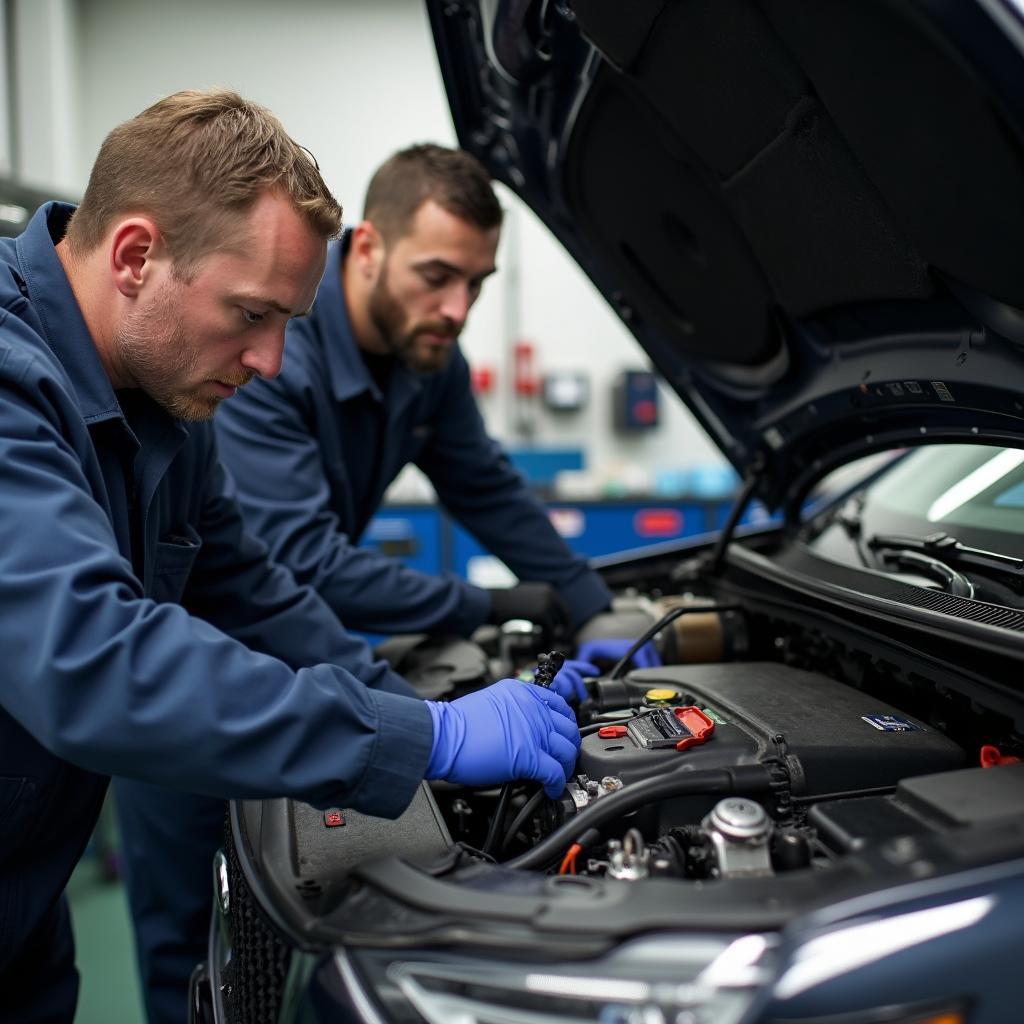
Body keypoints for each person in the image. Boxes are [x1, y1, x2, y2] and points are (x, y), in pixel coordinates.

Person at [0, 90, 579, 1024]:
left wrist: (415, 708)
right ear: (136, 256)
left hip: (25, 899)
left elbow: (251, 591)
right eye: (252, 314)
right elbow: (95, 662)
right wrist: (424, 740)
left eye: (290, 324)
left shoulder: (170, 399)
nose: (271, 362)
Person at [215, 143, 615, 648]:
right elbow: (304, 561)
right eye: (437, 277)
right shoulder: (272, 359)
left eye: (476, 284)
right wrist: (484, 605)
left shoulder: (433, 358)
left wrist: (591, 604)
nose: (458, 310)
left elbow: (485, 489)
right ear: (367, 251)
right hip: (217, 641)